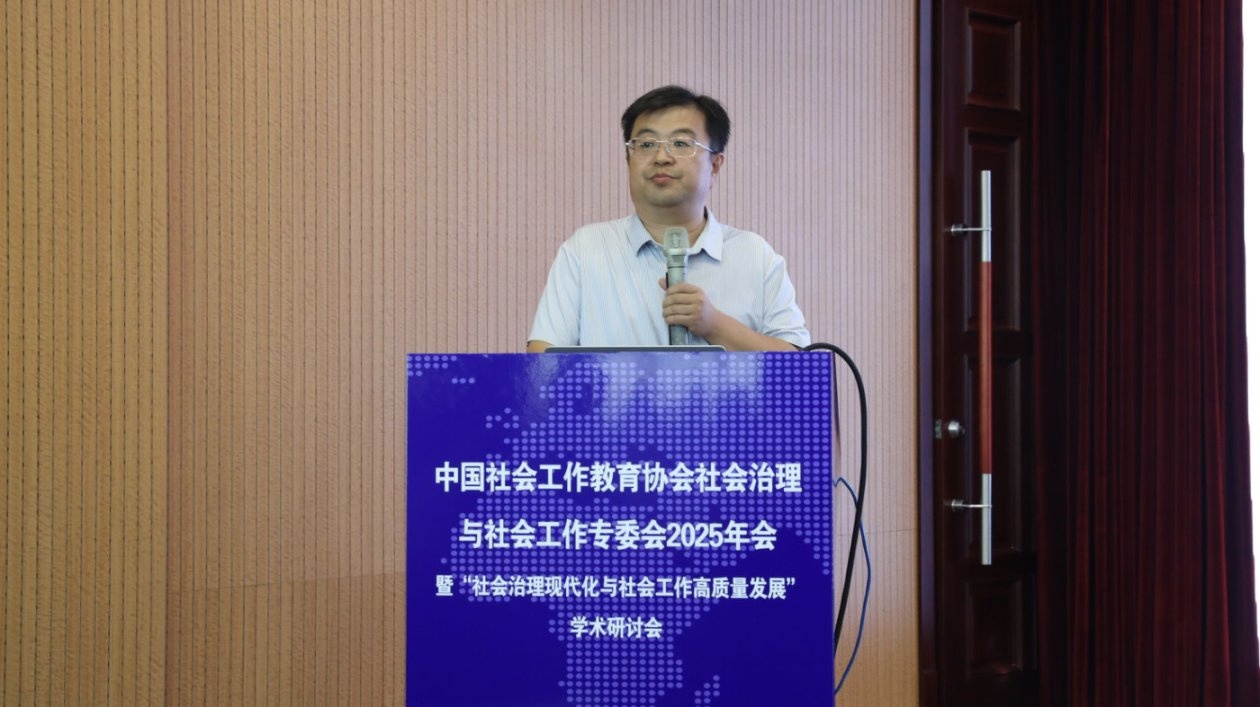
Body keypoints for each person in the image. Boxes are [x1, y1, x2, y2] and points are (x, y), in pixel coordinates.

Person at [526, 85, 810, 352]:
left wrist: (714, 325)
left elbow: (800, 370)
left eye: (680, 143)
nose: (661, 157)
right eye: (646, 144)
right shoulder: (585, 250)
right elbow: (541, 364)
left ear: (715, 164)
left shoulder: (755, 256)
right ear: (628, 159)